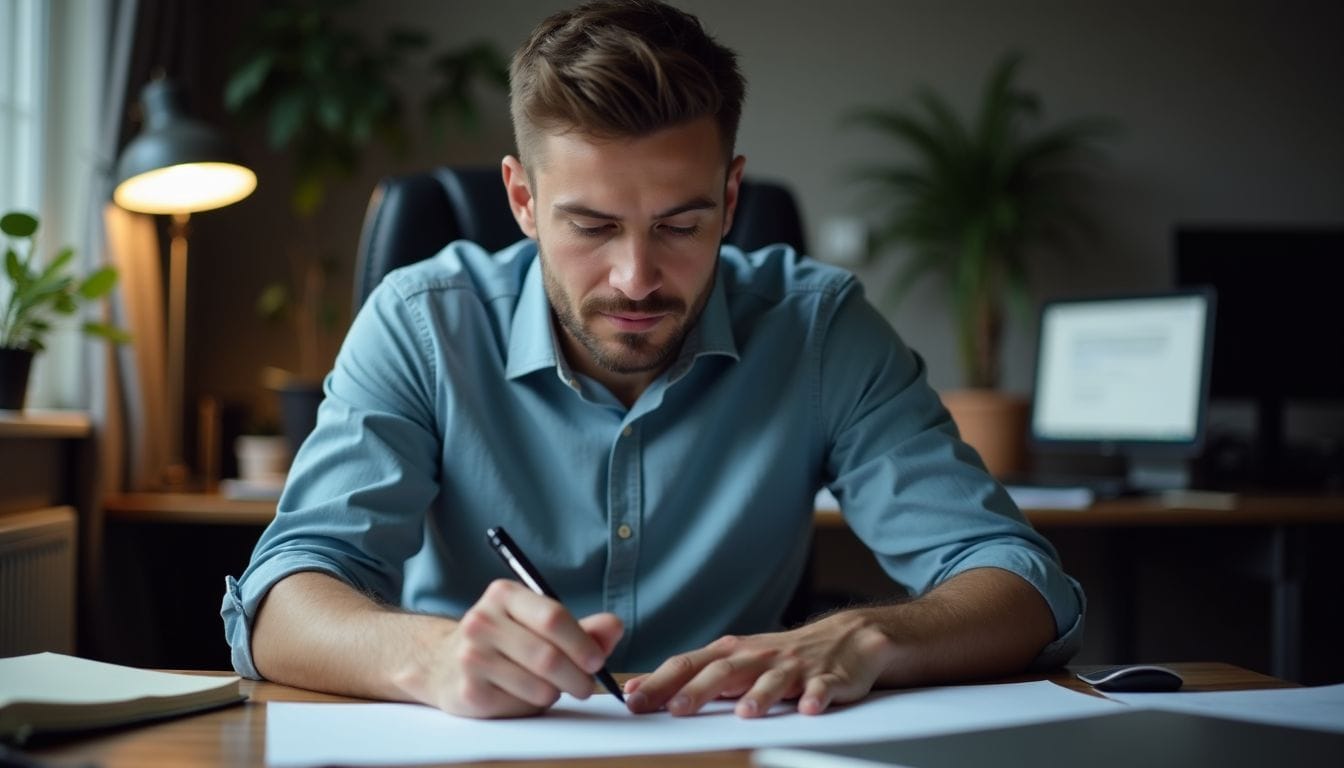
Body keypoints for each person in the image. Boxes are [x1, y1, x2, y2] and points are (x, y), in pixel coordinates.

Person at [222, 0, 1084, 720]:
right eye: (591, 226)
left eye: (680, 224)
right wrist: (431, 656)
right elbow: (281, 603)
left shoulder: (821, 329)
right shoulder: (421, 323)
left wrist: (867, 636)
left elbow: (1021, 583)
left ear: (732, 197)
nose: (636, 278)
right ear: (522, 199)